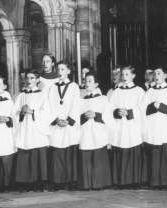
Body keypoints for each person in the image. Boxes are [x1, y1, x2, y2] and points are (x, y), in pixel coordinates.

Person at [142, 65, 167, 188]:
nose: (156, 76)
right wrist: (153, 106)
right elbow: (143, 108)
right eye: (155, 74)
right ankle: (155, 181)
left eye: (159, 73)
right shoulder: (150, 91)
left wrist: (162, 107)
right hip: (153, 125)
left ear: (165, 75)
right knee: (155, 153)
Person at [109, 66, 146, 188]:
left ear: (133, 76)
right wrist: (117, 112)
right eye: (122, 75)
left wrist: (129, 112)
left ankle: (134, 181)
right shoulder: (116, 91)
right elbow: (110, 108)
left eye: (127, 74)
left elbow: (142, 109)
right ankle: (120, 181)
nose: (124, 77)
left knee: (133, 151)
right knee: (120, 150)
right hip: (120, 126)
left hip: (132, 126)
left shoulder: (139, 91)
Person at [14, 70, 50, 191]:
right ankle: (25, 183)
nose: (29, 81)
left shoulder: (42, 95)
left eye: (32, 78)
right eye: (27, 78)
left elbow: (47, 112)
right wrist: (21, 112)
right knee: (25, 151)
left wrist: (33, 112)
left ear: (38, 79)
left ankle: (39, 183)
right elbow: (14, 113)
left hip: (36, 128)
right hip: (25, 127)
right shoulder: (21, 96)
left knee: (37, 152)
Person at [47, 61, 80, 190]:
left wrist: (69, 120)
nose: (60, 72)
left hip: (68, 123)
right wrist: (56, 120)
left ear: (68, 71)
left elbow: (76, 104)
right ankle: (57, 181)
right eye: (58, 69)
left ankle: (70, 181)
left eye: (62, 69)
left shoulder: (74, 87)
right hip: (57, 124)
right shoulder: (52, 88)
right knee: (57, 153)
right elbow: (49, 105)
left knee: (68, 152)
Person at [78, 72, 112, 190]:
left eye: (90, 81)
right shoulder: (81, 99)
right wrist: (84, 116)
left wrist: (96, 115)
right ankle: (87, 183)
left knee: (98, 155)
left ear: (96, 84)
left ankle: (99, 183)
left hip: (98, 131)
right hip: (85, 131)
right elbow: (77, 116)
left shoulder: (103, 99)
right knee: (86, 154)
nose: (87, 84)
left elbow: (108, 116)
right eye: (85, 81)